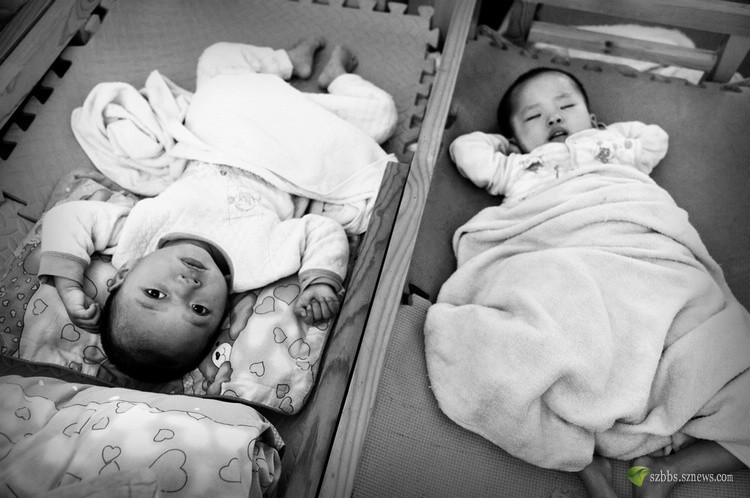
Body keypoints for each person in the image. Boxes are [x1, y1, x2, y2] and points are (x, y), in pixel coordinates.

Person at [447, 67, 748, 498]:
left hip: (642, 252)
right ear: (515, 139)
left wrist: (605, 134)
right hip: (565, 253)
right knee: (521, 342)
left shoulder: (614, 149)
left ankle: (668, 471)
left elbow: (654, 138)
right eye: (533, 116)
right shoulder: (517, 168)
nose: (553, 118)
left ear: (592, 118)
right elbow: (466, 151)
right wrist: (506, 147)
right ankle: (585, 461)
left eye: (566, 106)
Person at [39, 38, 396, 384]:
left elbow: (67, 218)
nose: (186, 286)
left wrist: (69, 286)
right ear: (223, 315)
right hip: (283, 162)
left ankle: (288, 60)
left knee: (216, 61)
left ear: (124, 273)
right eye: (199, 310)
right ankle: (338, 78)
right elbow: (322, 230)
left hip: (219, 139)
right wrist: (320, 281)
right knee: (380, 116)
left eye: (155, 294)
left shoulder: (137, 235)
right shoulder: (256, 263)